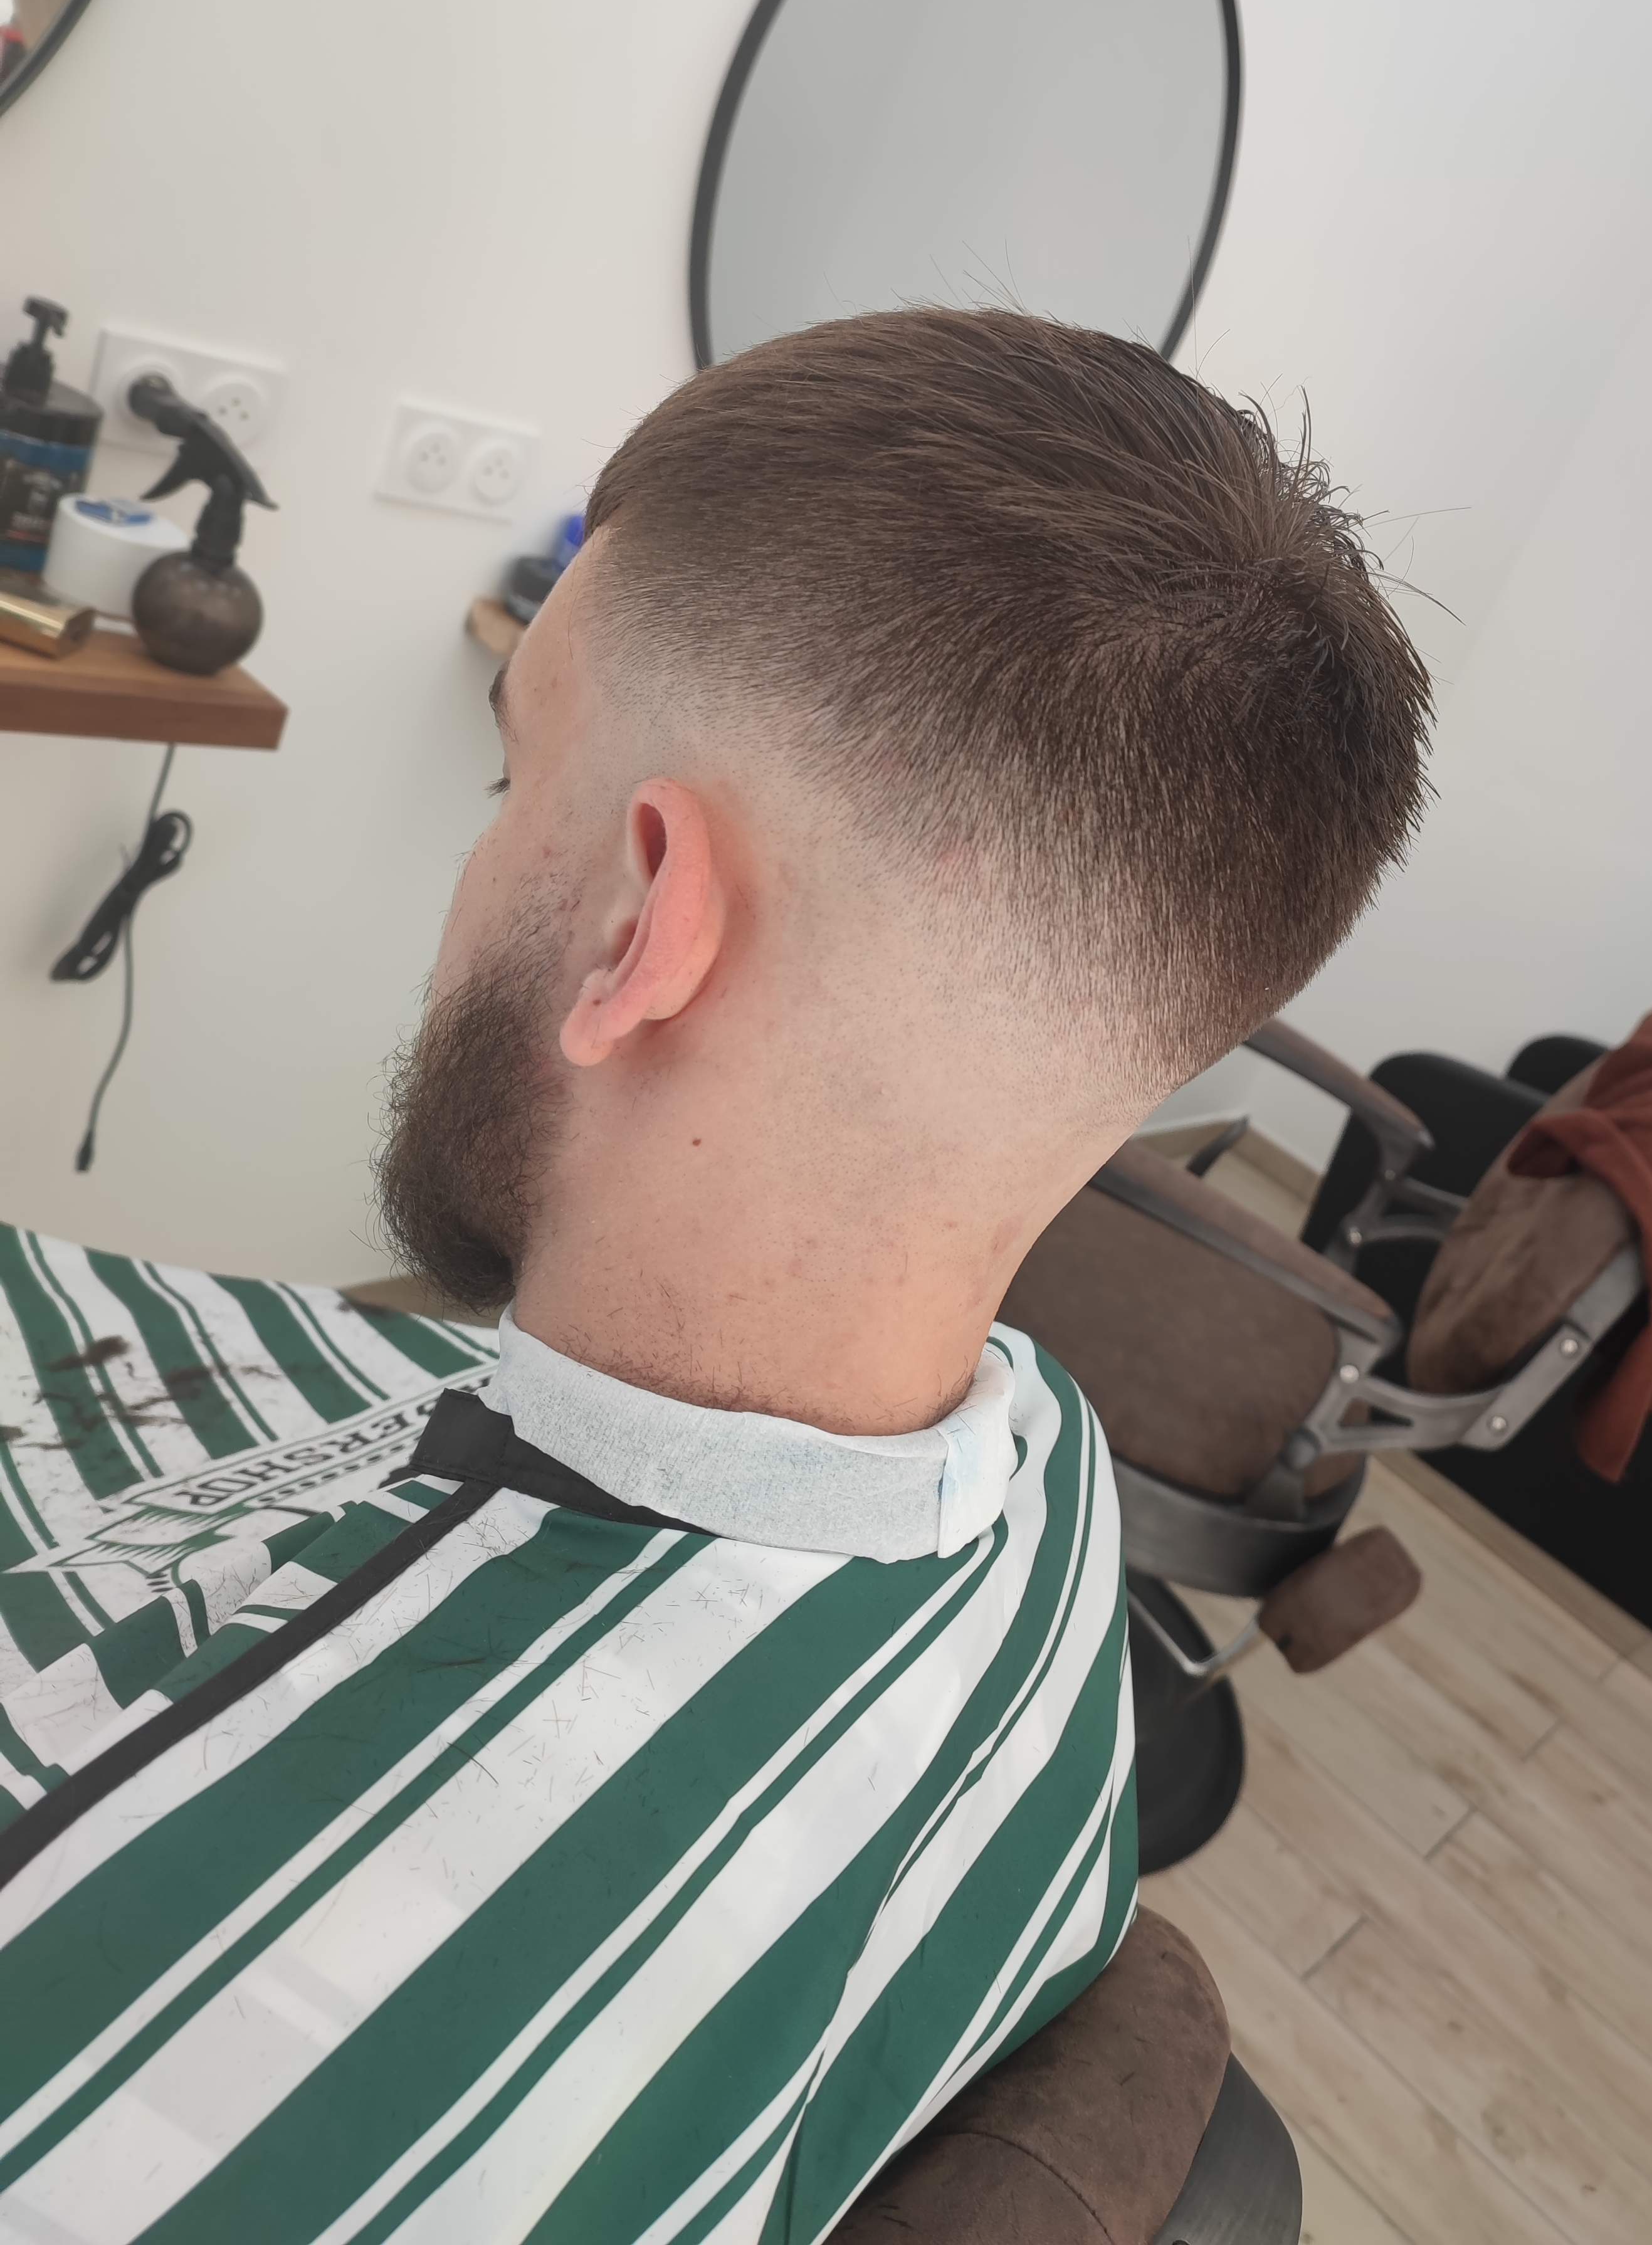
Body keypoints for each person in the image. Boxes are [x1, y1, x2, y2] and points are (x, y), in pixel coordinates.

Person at [0, 308, 1429, 2240]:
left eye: (513, 786)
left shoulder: (116, 1993)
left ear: (641, 929)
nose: (472, 877)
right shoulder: (1037, 1471)